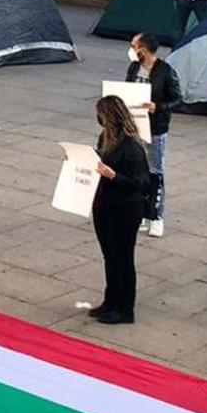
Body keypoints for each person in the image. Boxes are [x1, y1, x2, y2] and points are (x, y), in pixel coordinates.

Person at [90, 93, 151, 324]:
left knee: (123, 258)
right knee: (109, 256)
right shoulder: (105, 138)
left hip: (125, 209)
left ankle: (125, 308)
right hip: (105, 205)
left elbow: (140, 184)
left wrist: (113, 175)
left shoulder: (131, 146)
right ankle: (110, 300)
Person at [126, 33, 182, 237]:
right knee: (137, 169)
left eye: (134, 45)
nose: (131, 49)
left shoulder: (165, 71)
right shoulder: (134, 67)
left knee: (155, 171)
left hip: (155, 127)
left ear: (143, 48)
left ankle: (156, 216)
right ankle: (141, 212)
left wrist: (157, 107)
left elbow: (177, 98)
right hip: (135, 125)